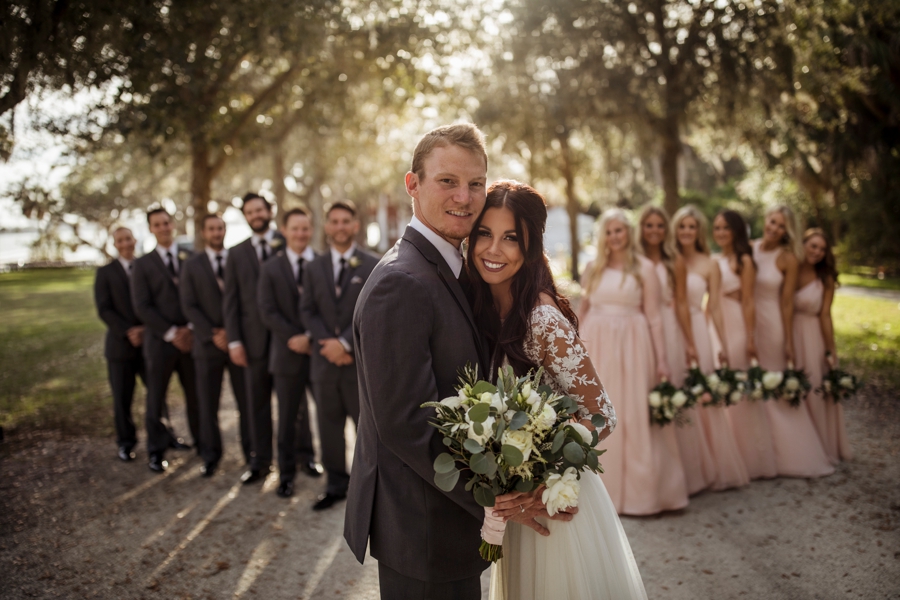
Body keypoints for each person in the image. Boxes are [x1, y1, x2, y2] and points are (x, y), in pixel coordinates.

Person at [344, 124, 547, 600]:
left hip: (443, 521)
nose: (465, 196)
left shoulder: (450, 265)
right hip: (421, 523)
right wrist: (491, 495)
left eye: (476, 183)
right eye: (448, 181)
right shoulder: (403, 281)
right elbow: (404, 423)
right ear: (412, 185)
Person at [468, 182, 646, 600]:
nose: (493, 249)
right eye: (484, 234)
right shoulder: (481, 309)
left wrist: (543, 480)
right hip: (515, 505)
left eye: (510, 238)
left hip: (553, 505)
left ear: (530, 246)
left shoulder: (541, 320)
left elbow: (602, 414)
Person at [579, 208, 689, 515]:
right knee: (597, 411)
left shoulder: (644, 268)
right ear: (604, 236)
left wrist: (663, 360)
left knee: (633, 413)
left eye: (620, 231)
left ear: (629, 233)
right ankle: (602, 493)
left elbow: (654, 317)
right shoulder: (593, 267)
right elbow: (583, 310)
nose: (615, 237)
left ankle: (643, 494)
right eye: (610, 231)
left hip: (633, 342)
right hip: (598, 342)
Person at [224, 193, 312, 485]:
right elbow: (232, 301)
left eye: (259, 209)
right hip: (255, 344)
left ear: (269, 211)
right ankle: (260, 461)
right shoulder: (235, 254)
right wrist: (235, 341)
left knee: (296, 406)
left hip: (291, 342)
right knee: (257, 404)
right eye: (250, 211)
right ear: (246, 216)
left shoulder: (291, 239)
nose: (256, 215)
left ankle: (305, 457)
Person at [300, 200, 379, 510]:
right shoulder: (312, 267)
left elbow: (372, 311)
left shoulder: (373, 263)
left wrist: (345, 344)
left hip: (356, 362)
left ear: (355, 225)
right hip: (324, 363)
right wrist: (328, 344)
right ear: (327, 226)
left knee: (365, 427)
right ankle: (335, 485)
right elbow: (307, 310)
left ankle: (370, 487)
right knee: (328, 426)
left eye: (346, 221)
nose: (340, 226)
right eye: (334, 221)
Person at [672, 205, 749, 491]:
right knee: (676, 391)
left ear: (699, 231)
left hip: (698, 329)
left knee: (702, 394)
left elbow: (714, 307)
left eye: (692, 226)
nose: (687, 232)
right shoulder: (668, 259)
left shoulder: (709, 264)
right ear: (675, 230)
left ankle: (708, 468)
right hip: (672, 327)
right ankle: (680, 470)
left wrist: (723, 344)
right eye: (682, 226)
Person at [753, 206, 833, 478]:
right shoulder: (750, 249)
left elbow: (787, 303)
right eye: (772, 222)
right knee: (752, 387)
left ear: (787, 232)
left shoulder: (787, 258)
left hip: (773, 324)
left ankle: (792, 453)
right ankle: (758, 452)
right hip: (748, 324)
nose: (774, 228)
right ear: (766, 220)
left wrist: (787, 340)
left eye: (781, 226)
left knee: (774, 388)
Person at [257, 208, 322, 498]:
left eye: (305, 229)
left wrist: (310, 336)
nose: (300, 234)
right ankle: (285, 473)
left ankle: (309, 459)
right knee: (287, 417)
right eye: (295, 229)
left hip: (317, 352)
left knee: (323, 414)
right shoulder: (270, 268)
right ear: (284, 230)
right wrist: (294, 337)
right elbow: (267, 310)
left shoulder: (322, 264)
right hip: (286, 354)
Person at [179, 214, 250, 477]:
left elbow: (243, 299)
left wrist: (230, 334)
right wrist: (212, 333)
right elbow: (189, 305)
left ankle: (250, 453)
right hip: (206, 346)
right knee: (208, 404)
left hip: (237, 343)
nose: (216, 232)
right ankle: (210, 455)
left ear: (225, 230)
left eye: (220, 228)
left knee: (246, 402)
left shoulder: (236, 259)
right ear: (204, 232)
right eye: (211, 229)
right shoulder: (192, 264)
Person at [131, 208, 199, 473]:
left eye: (166, 223)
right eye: (157, 224)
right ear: (151, 229)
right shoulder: (143, 264)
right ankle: (156, 451)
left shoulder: (190, 258)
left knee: (196, 396)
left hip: (191, 340)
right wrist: (172, 333)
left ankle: (203, 444)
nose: (163, 227)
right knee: (156, 398)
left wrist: (190, 329)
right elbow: (142, 306)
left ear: (173, 224)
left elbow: (199, 297)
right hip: (160, 343)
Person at [710, 210, 778, 479]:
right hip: (714, 321)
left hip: (736, 323)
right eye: (717, 227)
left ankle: (752, 458)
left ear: (736, 230)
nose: (721, 232)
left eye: (726, 227)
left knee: (739, 388)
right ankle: (727, 455)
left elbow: (749, 300)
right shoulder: (715, 259)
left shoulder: (744, 261)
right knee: (720, 384)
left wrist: (750, 338)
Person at [794, 228, 851, 463]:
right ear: (803, 244)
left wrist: (830, 350)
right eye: (813, 246)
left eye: (821, 249)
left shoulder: (825, 278)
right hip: (788, 333)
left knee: (814, 388)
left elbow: (825, 315)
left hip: (811, 336)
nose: (816, 252)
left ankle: (820, 446)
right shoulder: (791, 268)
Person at [94, 227, 146, 462]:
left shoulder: (145, 267)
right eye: (120, 240)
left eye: (129, 238)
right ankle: (126, 443)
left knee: (157, 394)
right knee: (122, 399)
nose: (126, 243)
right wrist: (128, 331)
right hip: (119, 347)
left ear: (135, 240)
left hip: (148, 343)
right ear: (115, 244)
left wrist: (145, 330)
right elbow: (104, 309)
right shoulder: (105, 272)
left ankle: (164, 435)